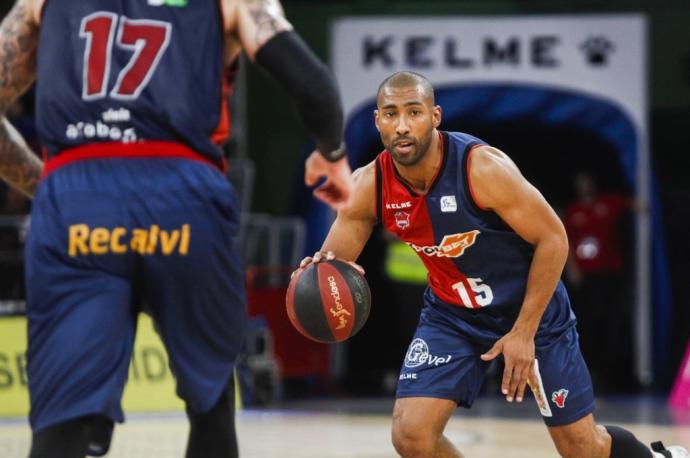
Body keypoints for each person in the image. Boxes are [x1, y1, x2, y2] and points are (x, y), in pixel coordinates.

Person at [0, 0, 352, 457]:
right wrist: (333, 153)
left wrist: (43, 183)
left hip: (77, 198)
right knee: (212, 399)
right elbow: (313, 86)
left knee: (65, 413)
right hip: (183, 196)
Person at [299, 71, 688, 458]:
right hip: (452, 316)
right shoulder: (369, 183)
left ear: (435, 117)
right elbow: (334, 264)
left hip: (531, 315)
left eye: (414, 112)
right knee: (412, 436)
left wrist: (523, 332)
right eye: (391, 114)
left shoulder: (481, 169)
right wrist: (319, 275)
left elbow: (554, 239)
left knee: (581, 448)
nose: (402, 126)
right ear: (378, 121)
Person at [563, 171, 634, 391]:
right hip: (586, 278)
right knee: (587, 321)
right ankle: (587, 372)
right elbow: (563, 240)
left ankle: (609, 375)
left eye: (588, 182)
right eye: (581, 183)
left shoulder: (608, 203)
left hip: (609, 274)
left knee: (609, 321)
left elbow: (636, 205)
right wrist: (572, 269)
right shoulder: (573, 211)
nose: (585, 187)